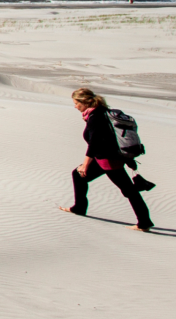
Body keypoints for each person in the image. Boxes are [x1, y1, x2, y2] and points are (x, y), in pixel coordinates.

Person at [59, 88, 154, 231]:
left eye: (76, 103)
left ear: (84, 102)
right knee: (78, 175)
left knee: (128, 190)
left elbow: (94, 143)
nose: (75, 106)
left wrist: (85, 165)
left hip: (108, 160)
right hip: (108, 157)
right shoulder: (102, 112)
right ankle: (79, 207)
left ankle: (144, 222)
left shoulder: (95, 117)